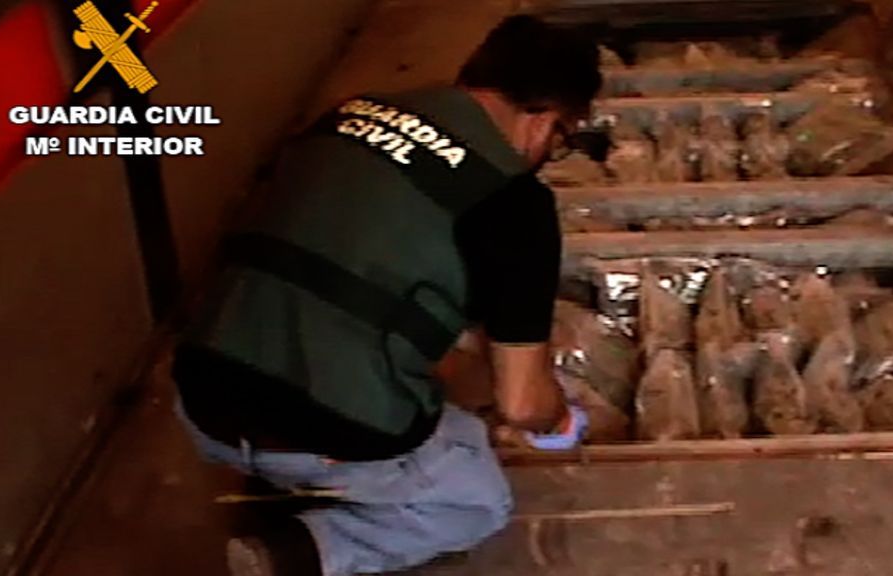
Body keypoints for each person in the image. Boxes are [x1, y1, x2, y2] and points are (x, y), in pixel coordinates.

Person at [171, 14, 602, 576]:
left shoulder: (347, 114)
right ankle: (302, 549)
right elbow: (522, 404)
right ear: (547, 119)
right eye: (563, 139)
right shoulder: (514, 206)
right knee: (474, 499)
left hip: (203, 399)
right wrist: (559, 424)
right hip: (321, 430)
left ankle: (295, 469)